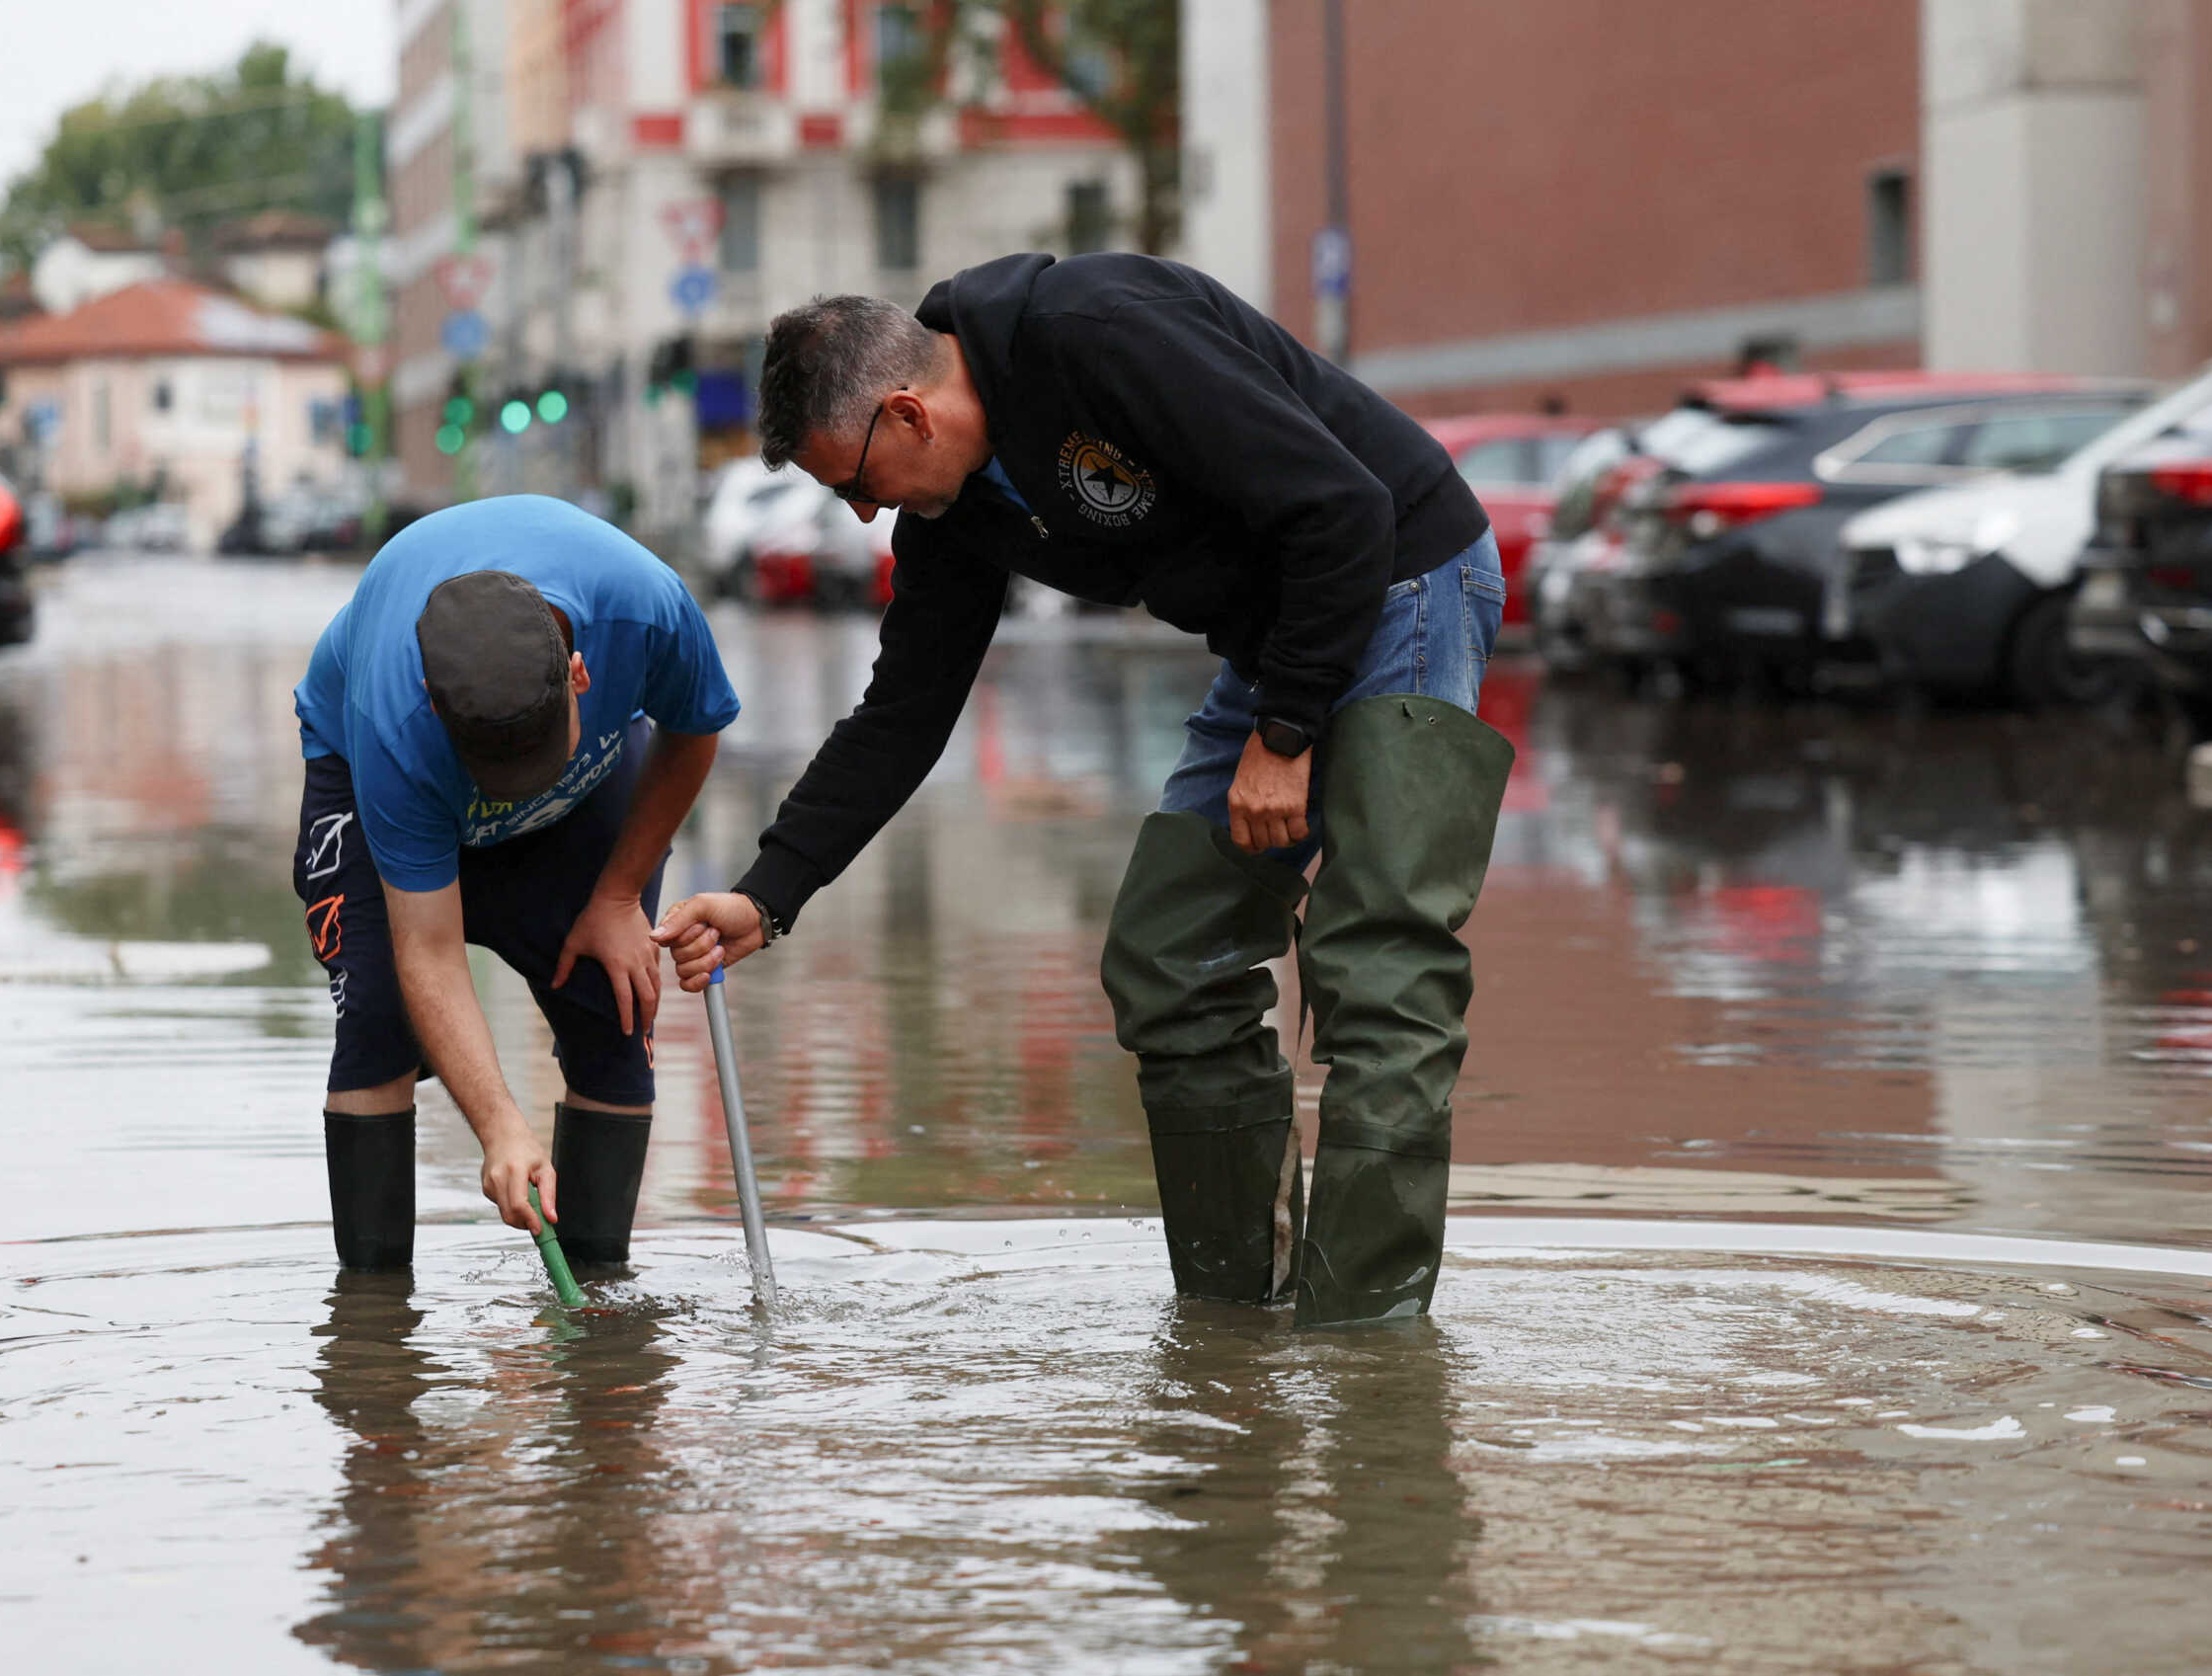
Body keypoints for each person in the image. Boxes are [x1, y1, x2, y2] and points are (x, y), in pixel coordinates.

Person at [654, 254, 1513, 1327]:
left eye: (855, 485)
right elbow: (904, 710)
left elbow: (1343, 506)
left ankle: (1361, 1340)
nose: (866, 516)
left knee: (1381, 960)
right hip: (1278, 632)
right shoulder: (955, 510)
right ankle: (1235, 1319)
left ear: (909, 414)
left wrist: (1284, 732)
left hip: (1400, 572)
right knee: (1167, 951)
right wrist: (768, 892)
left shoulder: (1099, 333)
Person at [294, 495, 740, 1270]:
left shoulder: (645, 608)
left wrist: (614, 896)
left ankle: (601, 1318)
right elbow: (427, 949)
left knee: (615, 998)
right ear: (434, 704)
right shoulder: (394, 720)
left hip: (587, 799)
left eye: (536, 761)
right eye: (500, 774)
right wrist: (500, 1124)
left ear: (580, 673)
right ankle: (373, 1338)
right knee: (379, 1014)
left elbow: (695, 727)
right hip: (390, 787)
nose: (513, 794)